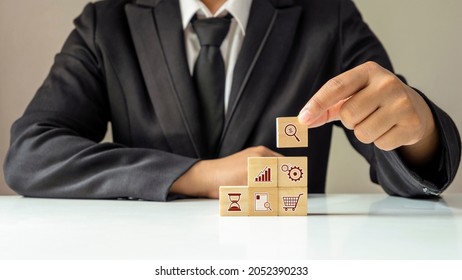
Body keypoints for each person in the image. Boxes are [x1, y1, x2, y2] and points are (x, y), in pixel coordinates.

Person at [3, 0, 461, 201]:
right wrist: (197, 176)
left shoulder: (329, 16)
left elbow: (395, 144)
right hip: (147, 264)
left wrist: (419, 129)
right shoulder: (106, 23)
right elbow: (31, 153)